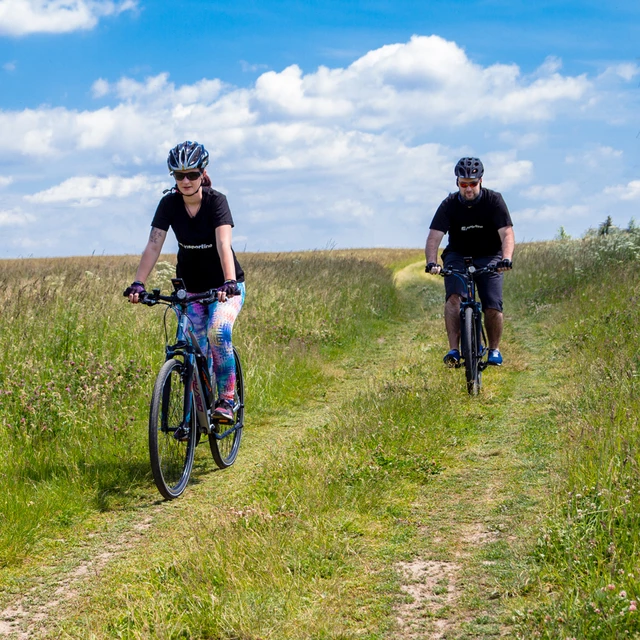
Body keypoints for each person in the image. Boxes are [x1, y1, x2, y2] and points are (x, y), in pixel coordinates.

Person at [125, 140, 245, 423]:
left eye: (192, 174)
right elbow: (153, 245)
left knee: (218, 333)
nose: (187, 181)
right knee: (190, 348)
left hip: (224, 289)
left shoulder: (216, 201)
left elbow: (223, 244)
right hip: (189, 290)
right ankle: (196, 415)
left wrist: (228, 281)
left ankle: (227, 400)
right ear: (173, 178)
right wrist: (138, 283)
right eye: (180, 176)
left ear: (203, 173)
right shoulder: (169, 204)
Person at [425, 157, 514, 367]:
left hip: (490, 255)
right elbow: (434, 237)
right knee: (454, 299)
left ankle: (494, 350)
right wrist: (431, 262)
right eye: (464, 184)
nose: (468, 188)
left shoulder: (494, 201)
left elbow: (507, 234)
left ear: (480, 181)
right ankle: (454, 350)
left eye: (473, 183)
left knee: (492, 305)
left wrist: (506, 258)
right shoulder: (449, 204)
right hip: (458, 254)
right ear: (457, 183)